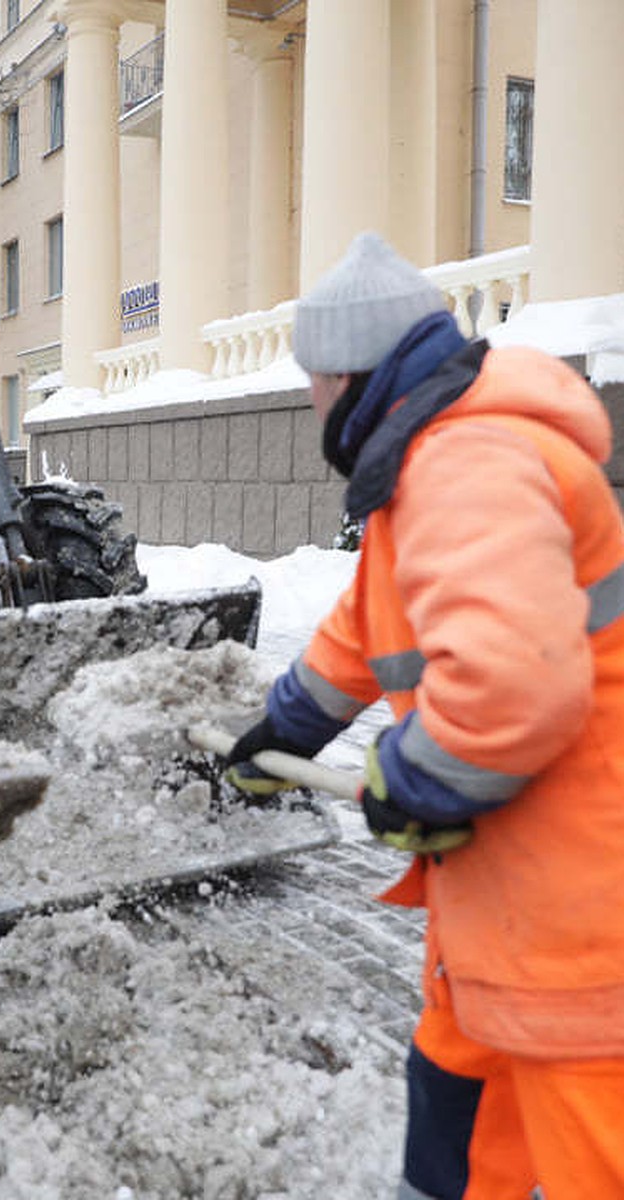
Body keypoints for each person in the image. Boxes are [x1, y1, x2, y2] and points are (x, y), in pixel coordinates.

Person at [224, 231, 624, 1199]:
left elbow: (512, 683)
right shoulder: (427, 468)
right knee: (451, 1107)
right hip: (503, 904)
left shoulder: (467, 460)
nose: (311, 402)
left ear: (351, 377)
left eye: (314, 381)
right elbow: (368, 632)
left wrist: (410, 781)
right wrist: (281, 734)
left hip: (577, 914)